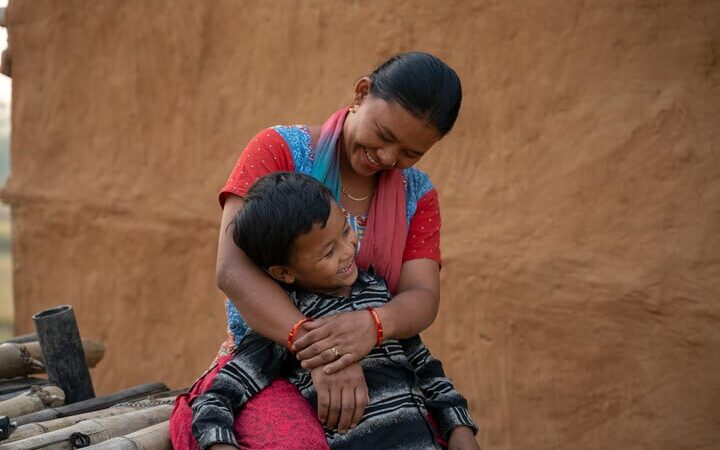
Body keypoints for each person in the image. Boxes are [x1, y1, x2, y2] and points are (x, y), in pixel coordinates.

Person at [170, 51, 466, 449]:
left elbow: (422, 296)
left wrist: (373, 325)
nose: (389, 158)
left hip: (382, 365)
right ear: (361, 94)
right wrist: (322, 353)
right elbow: (233, 270)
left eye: (412, 153)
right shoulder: (278, 151)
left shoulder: (417, 194)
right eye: (385, 134)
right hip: (270, 364)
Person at [192, 172, 479, 450]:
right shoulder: (291, 332)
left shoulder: (378, 295)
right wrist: (219, 443)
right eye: (328, 252)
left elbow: (426, 369)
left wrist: (460, 428)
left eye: (345, 230)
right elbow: (215, 399)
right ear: (284, 272)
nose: (347, 250)